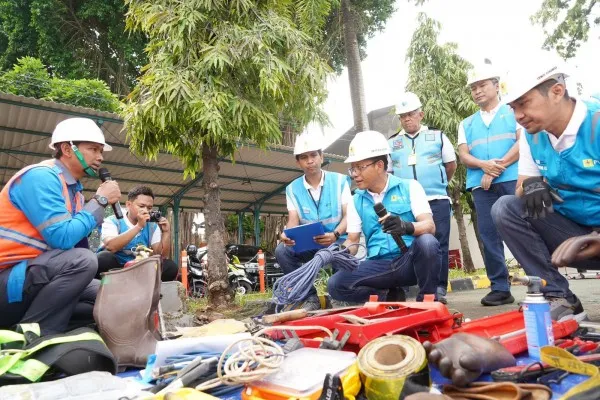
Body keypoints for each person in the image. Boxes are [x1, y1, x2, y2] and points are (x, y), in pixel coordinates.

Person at [491, 62, 600, 320]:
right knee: (506, 208)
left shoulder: (595, 122)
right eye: (513, 108)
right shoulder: (532, 136)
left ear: (557, 91)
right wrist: (531, 185)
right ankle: (558, 296)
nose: (518, 115)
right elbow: (520, 188)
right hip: (574, 240)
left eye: (524, 103)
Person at [0, 118, 120, 335]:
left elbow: (78, 244)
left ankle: (55, 330)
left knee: (110, 297)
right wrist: (100, 201)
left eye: (101, 151)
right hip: (9, 282)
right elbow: (62, 238)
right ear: (67, 148)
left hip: (33, 277)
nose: (100, 157)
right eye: (93, 149)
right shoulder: (40, 177)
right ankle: (31, 338)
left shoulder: (74, 191)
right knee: (83, 262)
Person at [327, 130, 441, 304]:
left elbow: (429, 226)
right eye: (353, 168)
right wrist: (337, 252)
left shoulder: (410, 187)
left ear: (379, 165)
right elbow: (352, 242)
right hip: (378, 266)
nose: (354, 174)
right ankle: (387, 298)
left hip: (408, 261)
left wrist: (406, 227)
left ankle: (427, 301)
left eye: (360, 167)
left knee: (427, 242)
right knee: (335, 284)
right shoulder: (356, 200)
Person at [457, 63, 521, 306]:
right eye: (473, 88)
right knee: (488, 234)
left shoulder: (513, 111)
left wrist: (495, 168)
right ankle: (500, 288)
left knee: (525, 229)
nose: (477, 91)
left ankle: (543, 282)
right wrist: (484, 166)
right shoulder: (466, 123)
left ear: (496, 85)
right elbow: (464, 155)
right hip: (481, 185)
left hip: (512, 179)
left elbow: (521, 142)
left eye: (482, 85)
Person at [390, 92, 457, 303]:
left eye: (410, 114)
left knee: (439, 243)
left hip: (436, 199)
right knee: (409, 244)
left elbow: (451, 166)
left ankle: (438, 288)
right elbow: (389, 173)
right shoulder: (392, 143)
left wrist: (438, 183)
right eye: (402, 116)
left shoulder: (438, 136)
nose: (407, 119)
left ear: (421, 114)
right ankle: (413, 285)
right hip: (405, 202)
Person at [275, 133, 351, 309]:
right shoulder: (292, 189)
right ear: (298, 162)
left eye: (313, 155)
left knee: (346, 251)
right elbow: (293, 219)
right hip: (311, 244)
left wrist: (335, 234)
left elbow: (349, 215)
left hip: (338, 242)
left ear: (321, 157)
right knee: (282, 251)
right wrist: (286, 234)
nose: (310, 161)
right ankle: (309, 297)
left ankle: (340, 296)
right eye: (304, 157)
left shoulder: (339, 181)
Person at [97, 185, 177, 281]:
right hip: (117, 269)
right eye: (141, 206)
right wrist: (139, 226)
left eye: (149, 207)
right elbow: (111, 246)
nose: (146, 210)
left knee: (169, 266)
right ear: (128, 205)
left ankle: (149, 292)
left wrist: (166, 232)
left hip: (140, 269)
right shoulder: (113, 221)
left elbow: (160, 255)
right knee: (104, 258)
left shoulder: (152, 226)